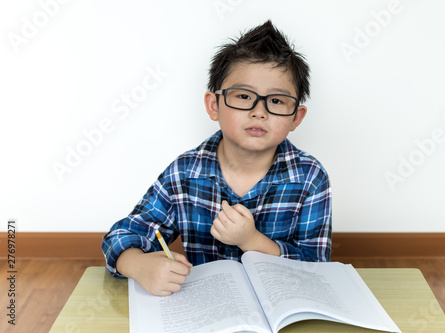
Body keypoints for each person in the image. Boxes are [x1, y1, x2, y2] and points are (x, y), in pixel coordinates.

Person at [101, 20, 332, 296]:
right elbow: (121, 236)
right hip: (207, 307)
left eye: (277, 101)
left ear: (296, 117)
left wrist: (252, 240)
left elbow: (317, 268)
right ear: (214, 105)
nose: (259, 112)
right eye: (244, 96)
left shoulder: (310, 177)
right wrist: (138, 265)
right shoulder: (185, 172)